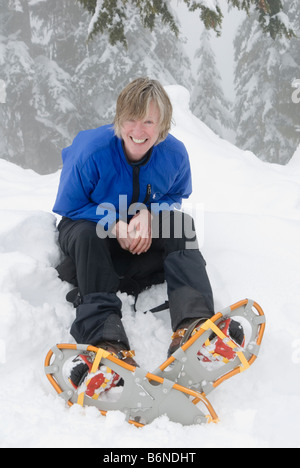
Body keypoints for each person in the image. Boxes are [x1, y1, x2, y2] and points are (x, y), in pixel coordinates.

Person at [53, 77, 243, 396]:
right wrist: (114, 223)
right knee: (87, 233)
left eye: (148, 122)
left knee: (180, 223)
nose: (138, 131)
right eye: (130, 119)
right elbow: (69, 207)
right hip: (90, 237)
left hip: (140, 244)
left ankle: (194, 328)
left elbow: (174, 196)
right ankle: (104, 343)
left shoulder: (175, 155)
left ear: (162, 125)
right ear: (118, 119)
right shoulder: (91, 150)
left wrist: (151, 216)